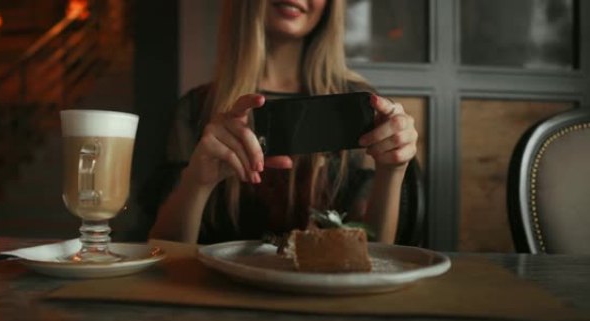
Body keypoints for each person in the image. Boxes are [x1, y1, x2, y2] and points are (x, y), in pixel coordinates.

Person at [149, 0, 418, 245]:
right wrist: (197, 182)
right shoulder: (197, 108)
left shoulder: (362, 107)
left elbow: (376, 256)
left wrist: (392, 171)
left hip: (329, 296)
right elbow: (164, 254)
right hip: (221, 294)